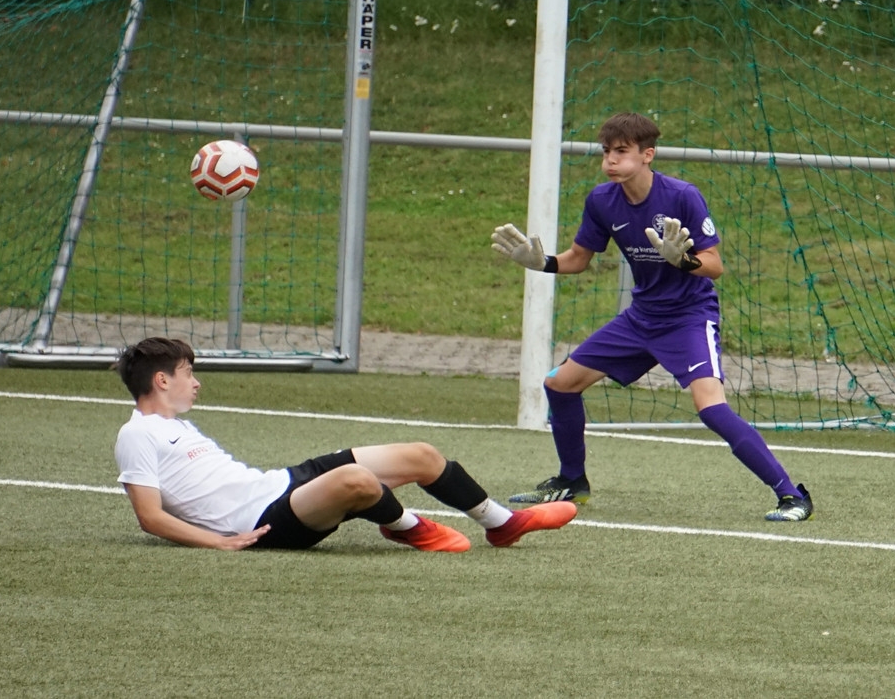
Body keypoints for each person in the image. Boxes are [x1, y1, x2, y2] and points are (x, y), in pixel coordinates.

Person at [491, 111, 813, 522]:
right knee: (560, 383)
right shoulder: (601, 200)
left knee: (711, 408)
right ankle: (572, 481)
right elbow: (578, 259)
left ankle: (792, 496)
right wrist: (543, 263)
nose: (611, 160)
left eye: (621, 151)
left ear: (648, 155)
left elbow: (714, 266)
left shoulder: (682, 196)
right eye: (606, 151)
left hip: (688, 317)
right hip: (641, 318)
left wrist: (684, 260)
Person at [113, 337, 578, 552]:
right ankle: (408, 527)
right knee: (357, 479)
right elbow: (150, 517)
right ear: (161, 380)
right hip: (264, 523)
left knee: (420, 454)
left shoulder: (179, 426)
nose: (196, 382)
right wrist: (219, 542)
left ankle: (501, 523)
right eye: (188, 373)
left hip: (281, 484)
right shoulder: (136, 434)